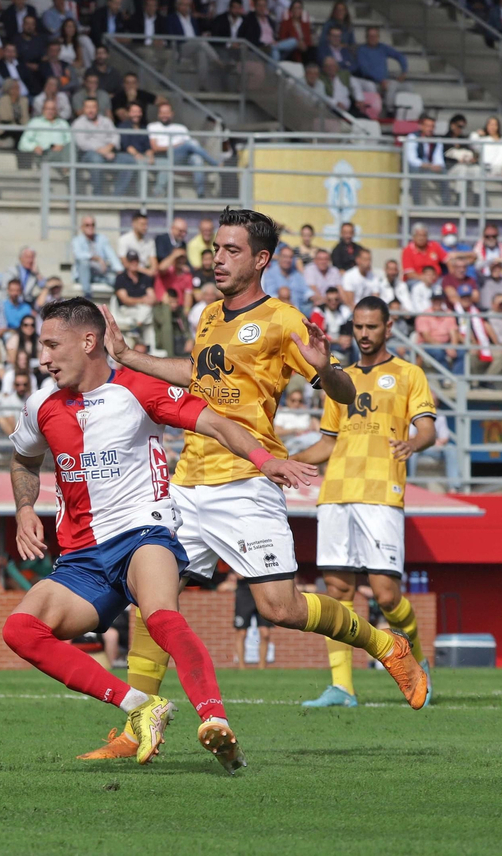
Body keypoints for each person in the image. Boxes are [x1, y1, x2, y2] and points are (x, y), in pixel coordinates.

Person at [84, 208, 431, 760]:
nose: (217, 259)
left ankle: (384, 643)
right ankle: (137, 727)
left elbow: (344, 395)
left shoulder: (283, 320)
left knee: (280, 609)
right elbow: (196, 374)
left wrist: (327, 369)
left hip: (246, 481)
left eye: (231, 250)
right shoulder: (209, 314)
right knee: (151, 598)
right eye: (215, 249)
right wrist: (127, 357)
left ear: (261, 259)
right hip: (187, 480)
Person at [5, 296, 317, 769]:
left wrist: (264, 460)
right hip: (81, 559)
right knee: (20, 630)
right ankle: (141, 706)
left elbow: (216, 424)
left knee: (161, 617)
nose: (43, 358)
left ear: (88, 342)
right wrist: (25, 507)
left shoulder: (138, 389)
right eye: (41, 347)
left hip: (142, 534)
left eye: (51, 345)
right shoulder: (40, 405)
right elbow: (24, 459)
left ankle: (215, 720)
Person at [291, 295, 437, 708]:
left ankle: (418, 667)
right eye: (358, 327)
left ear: (388, 327)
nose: (364, 334)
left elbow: (427, 429)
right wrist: (285, 460)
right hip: (336, 492)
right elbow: (327, 443)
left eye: (372, 326)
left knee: (386, 595)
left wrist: (412, 444)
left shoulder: (409, 373)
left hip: (381, 493)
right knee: (338, 590)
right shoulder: (340, 379)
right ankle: (342, 687)